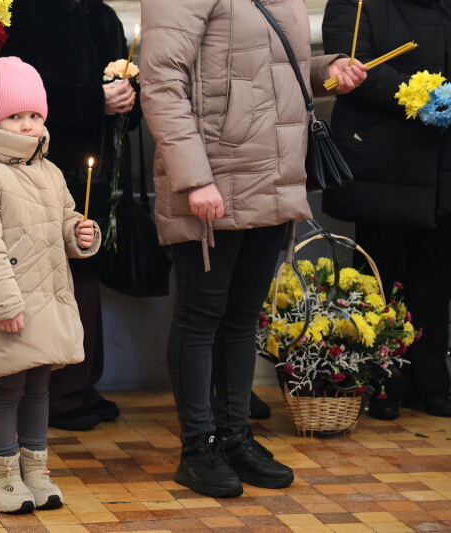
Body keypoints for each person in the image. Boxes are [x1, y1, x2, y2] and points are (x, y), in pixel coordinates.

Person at [140, 0, 367, 498]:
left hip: (274, 176)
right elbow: (161, 83)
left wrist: (323, 69)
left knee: (242, 317)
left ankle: (236, 436)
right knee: (200, 317)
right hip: (213, 178)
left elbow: (265, 66)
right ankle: (198, 448)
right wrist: (194, 179)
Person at [0, 57, 101, 513]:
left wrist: (79, 234)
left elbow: (62, 222)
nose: (27, 125)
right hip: (9, 303)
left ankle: (35, 469)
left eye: (34, 116)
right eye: (16, 116)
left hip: (47, 299)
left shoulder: (50, 172)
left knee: (40, 387)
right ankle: (2, 476)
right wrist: (3, 305)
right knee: (7, 388)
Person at [0, 0, 139, 431]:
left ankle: (82, 381)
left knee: (87, 269)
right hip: (45, 166)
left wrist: (127, 98)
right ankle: (58, 390)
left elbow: (126, 94)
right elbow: (18, 101)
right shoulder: (25, 13)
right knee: (55, 276)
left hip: (98, 169)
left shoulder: (102, 15)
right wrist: (93, 99)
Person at [322, 0, 451, 420]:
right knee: (381, 274)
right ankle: (379, 381)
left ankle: (429, 381)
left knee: (436, 275)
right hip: (384, 155)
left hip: (443, 159)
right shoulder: (357, 2)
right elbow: (351, 67)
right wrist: (423, 98)